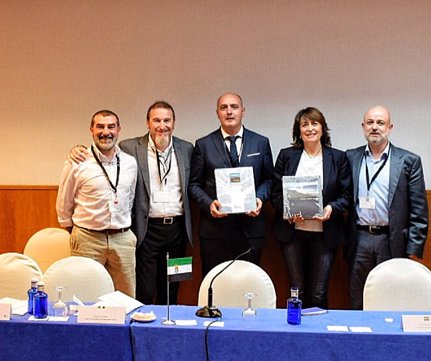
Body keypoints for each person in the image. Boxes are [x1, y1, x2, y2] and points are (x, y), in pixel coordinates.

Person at [68, 101, 194, 305]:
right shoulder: (130, 147)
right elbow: (101, 150)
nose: (162, 125)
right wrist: (76, 149)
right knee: (144, 288)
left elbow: (195, 183)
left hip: (179, 230)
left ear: (174, 123)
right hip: (147, 229)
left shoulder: (187, 149)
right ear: (148, 123)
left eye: (167, 120)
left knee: (174, 284)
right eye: (156, 120)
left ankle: (169, 332)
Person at [346, 106, 429, 310]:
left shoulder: (408, 161)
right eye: (370, 122)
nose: (375, 127)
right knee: (358, 296)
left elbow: (419, 210)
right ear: (363, 126)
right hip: (359, 239)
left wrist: (412, 249)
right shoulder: (350, 157)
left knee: (390, 296)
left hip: (391, 240)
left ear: (390, 127)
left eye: (380, 123)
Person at [272, 107, 352, 309]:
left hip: (325, 235)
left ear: (323, 128)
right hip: (293, 234)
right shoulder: (287, 156)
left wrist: (331, 208)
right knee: (296, 289)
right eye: (304, 124)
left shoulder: (338, 158)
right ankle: (296, 333)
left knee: (319, 292)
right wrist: (287, 212)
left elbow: (347, 196)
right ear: (298, 131)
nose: (310, 129)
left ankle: (316, 337)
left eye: (314, 123)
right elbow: (275, 193)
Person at [189, 92, 274, 276]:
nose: (229, 112)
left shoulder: (260, 142)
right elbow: (194, 184)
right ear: (217, 113)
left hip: (250, 229)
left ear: (243, 111)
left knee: (248, 285)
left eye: (234, 107)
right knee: (214, 285)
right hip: (214, 231)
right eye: (223, 107)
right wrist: (208, 204)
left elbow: (269, 180)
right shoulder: (203, 144)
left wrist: (259, 198)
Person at [56, 110, 138, 297]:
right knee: (84, 296)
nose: (105, 132)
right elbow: (64, 203)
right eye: (100, 126)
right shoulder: (77, 162)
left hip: (122, 239)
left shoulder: (129, 163)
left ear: (118, 130)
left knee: (126, 297)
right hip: (88, 239)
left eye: (111, 126)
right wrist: (77, 231)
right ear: (91, 130)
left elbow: (130, 197)